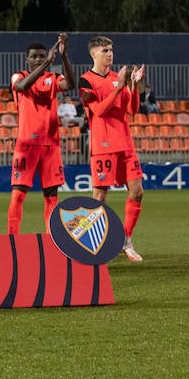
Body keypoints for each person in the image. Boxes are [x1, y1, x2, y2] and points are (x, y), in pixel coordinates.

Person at [79, 35, 145, 261]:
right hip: (103, 145)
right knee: (99, 195)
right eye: (105, 50)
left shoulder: (119, 78)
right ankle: (91, 243)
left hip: (125, 144)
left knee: (137, 192)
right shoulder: (85, 81)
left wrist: (134, 86)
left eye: (111, 50)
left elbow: (133, 109)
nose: (110, 54)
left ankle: (126, 240)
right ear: (93, 53)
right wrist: (118, 89)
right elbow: (98, 111)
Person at [7, 34, 76, 235]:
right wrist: (47, 62)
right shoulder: (18, 76)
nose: (38, 59)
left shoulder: (53, 79)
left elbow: (70, 85)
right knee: (18, 194)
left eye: (42, 56)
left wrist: (63, 57)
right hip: (26, 145)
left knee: (51, 195)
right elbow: (22, 87)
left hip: (50, 145)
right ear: (27, 59)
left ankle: (52, 239)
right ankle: (12, 239)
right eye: (35, 57)